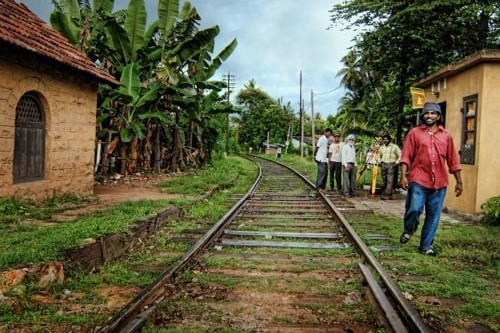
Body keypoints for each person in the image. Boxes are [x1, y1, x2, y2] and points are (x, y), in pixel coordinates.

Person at [399, 102, 463, 256]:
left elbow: (453, 160)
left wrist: (459, 182)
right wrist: (403, 175)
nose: (430, 116)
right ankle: (409, 228)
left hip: (439, 182)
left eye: (433, 113)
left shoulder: (446, 136)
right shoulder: (414, 133)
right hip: (418, 179)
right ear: (423, 115)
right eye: (427, 113)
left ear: (438, 116)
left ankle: (426, 245)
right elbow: (406, 155)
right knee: (414, 209)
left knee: (434, 215)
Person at [379, 134, 401, 200]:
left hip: (391, 164)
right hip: (383, 164)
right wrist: (380, 162)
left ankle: (387, 194)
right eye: (384, 139)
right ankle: (388, 193)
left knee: (390, 179)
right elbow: (378, 155)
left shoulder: (395, 147)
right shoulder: (382, 147)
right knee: (384, 179)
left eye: (386, 139)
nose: (385, 140)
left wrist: (396, 162)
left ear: (389, 140)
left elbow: (401, 155)